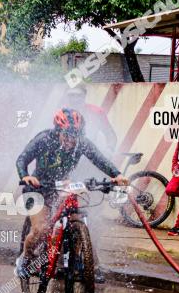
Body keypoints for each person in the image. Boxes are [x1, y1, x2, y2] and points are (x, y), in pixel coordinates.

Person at [16, 108, 128, 278]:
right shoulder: (44, 139)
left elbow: (100, 159)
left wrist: (117, 174)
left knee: (77, 220)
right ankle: (25, 259)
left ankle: (75, 262)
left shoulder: (82, 143)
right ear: (58, 131)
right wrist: (26, 176)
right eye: (66, 136)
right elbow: (22, 159)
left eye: (74, 136)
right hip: (39, 188)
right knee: (41, 229)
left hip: (62, 187)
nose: (70, 140)